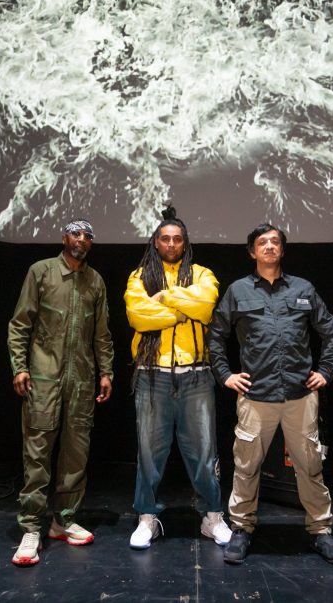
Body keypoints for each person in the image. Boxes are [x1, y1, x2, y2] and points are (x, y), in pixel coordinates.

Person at [207, 223, 333, 565]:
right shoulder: (238, 291)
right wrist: (225, 375)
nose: (269, 247)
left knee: (310, 466)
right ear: (252, 252)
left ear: (282, 250)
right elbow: (215, 337)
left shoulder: (303, 289)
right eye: (262, 243)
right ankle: (241, 530)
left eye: (275, 242)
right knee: (246, 467)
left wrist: (325, 371)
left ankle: (321, 531)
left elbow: (331, 332)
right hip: (256, 396)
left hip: (300, 396)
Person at [123, 206, 232, 549]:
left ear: (185, 244)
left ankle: (212, 517)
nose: (171, 244)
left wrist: (166, 298)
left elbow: (205, 306)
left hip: (196, 376)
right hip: (151, 376)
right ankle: (146, 518)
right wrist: (181, 310)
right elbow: (138, 315)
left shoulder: (202, 274)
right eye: (165, 239)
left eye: (177, 239)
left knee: (203, 451)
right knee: (148, 452)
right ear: (156, 243)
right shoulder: (139, 276)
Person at [7, 219, 115, 566]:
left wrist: (106, 371)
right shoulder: (41, 272)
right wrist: (20, 367)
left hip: (81, 383)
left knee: (75, 457)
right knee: (37, 456)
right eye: (75, 234)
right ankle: (31, 529)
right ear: (64, 238)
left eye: (87, 236)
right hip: (43, 379)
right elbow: (20, 324)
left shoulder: (95, 281)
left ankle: (63, 520)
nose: (81, 240)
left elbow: (102, 334)